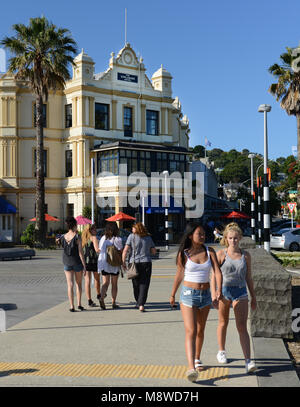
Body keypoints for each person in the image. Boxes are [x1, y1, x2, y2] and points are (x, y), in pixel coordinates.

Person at [169, 222, 223, 382]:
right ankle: (191, 367)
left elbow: (217, 272)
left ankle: (197, 358)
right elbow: (179, 274)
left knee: (200, 330)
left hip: (205, 295)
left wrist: (218, 289)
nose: (203, 236)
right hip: (188, 294)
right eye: (199, 233)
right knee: (191, 330)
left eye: (204, 234)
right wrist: (172, 294)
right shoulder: (184, 254)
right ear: (191, 235)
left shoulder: (210, 251)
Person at [212, 222, 257, 374]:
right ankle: (221, 351)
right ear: (226, 238)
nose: (233, 241)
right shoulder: (221, 254)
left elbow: (249, 277)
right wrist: (215, 293)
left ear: (240, 238)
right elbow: (214, 275)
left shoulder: (246, 255)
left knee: (242, 327)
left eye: (236, 238)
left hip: (241, 292)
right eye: (230, 238)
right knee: (223, 322)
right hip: (224, 291)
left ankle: (248, 361)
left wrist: (253, 296)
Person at [122, 222, 156, 312]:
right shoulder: (148, 237)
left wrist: (123, 262)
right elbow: (154, 251)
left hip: (134, 263)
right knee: (144, 283)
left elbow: (125, 250)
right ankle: (141, 304)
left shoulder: (131, 237)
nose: (132, 229)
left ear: (137, 229)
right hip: (146, 262)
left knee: (135, 284)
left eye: (133, 228)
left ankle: (138, 302)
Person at [57, 216, 87, 312]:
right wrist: (84, 265)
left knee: (70, 284)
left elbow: (59, 243)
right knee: (78, 284)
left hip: (67, 262)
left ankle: (71, 306)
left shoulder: (63, 237)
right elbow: (80, 252)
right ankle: (79, 304)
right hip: (77, 262)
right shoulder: (77, 237)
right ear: (74, 225)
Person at [98, 222, 123, 309]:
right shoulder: (118, 239)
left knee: (105, 283)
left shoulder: (103, 238)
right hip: (114, 264)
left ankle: (101, 297)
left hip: (104, 263)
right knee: (114, 283)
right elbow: (120, 251)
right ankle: (113, 302)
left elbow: (99, 250)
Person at [81, 224, 101, 308]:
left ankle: (89, 300)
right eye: (94, 229)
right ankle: (99, 294)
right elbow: (97, 250)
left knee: (87, 281)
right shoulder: (94, 238)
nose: (96, 231)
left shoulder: (83, 239)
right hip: (94, 261)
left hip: (85, 262)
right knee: (97, 279)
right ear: (91, 230)